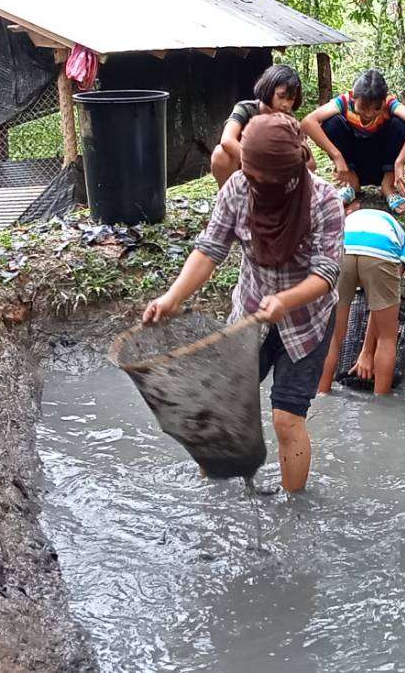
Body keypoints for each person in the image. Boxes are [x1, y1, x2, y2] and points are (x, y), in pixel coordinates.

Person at [141, 114, 343, 493]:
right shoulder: (237, 188)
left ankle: (292, 510)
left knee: (286, 418)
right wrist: (172, 298)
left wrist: (286, 300)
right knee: (220, 408)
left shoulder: (323, 201)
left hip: (307, 321)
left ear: (286, 177)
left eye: (258, 177)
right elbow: (210, 249)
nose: (249, 181)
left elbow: (327, 273)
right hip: (250, 314)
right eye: (247, 173)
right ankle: (212, 493)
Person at [317, 207, 405, 397]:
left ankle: (321, 392)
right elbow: (378, 307)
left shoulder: (354, 218)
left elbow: (372, 304)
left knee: (334, 334)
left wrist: (366, 352)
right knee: (387, 336)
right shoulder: (403, 245)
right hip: (381, 249)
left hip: (344, 245)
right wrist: (368, 351)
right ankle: (381, 404)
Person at [302, 69, 405, 212]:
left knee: (401, 123)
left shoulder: (390, 104)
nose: (369, 114)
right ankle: (352, 185)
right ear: (352, 97)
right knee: (331, 123)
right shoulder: (344, 102)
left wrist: (400, 162)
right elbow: (308, 122)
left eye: (376, 108)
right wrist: (337, 156)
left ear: (383, 100)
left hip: (383, 163)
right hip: (355, 164)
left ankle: (388, 186)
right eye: (362, 107)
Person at [210, 64, 304, 185]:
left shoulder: (289, 119)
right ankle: (228, 198)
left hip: (273, 176)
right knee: (220, 153)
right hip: (242, 167)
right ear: (268, 90)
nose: (285, 104)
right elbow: (227, 140)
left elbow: (308, 160)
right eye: (281, 96)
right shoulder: (245, 108)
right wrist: (258, 164)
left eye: (291, 99)